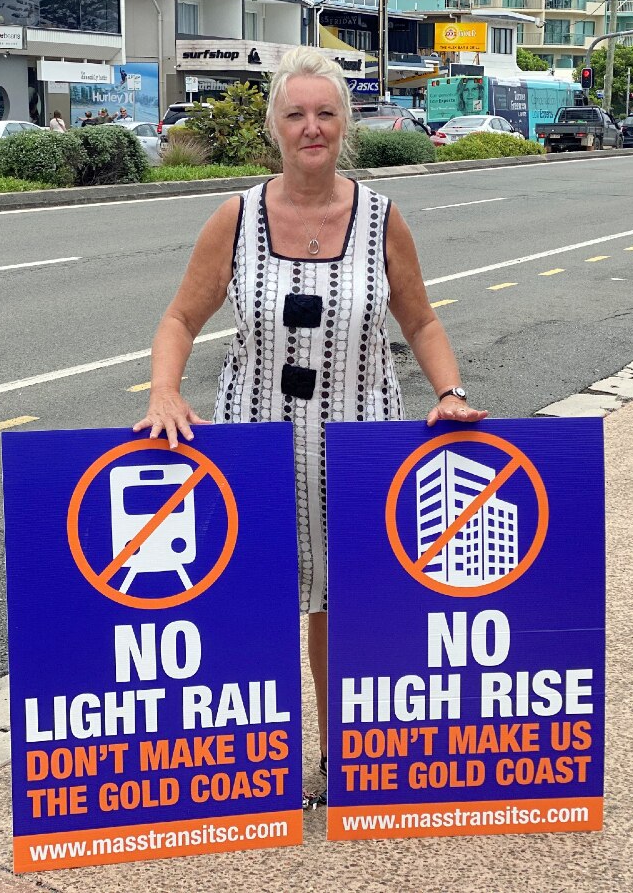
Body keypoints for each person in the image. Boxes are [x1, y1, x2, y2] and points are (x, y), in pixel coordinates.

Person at [134, 47, 487, 808]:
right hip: (255, 440)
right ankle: (246, 766)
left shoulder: (382, 217)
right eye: (296, 114)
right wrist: (165, 390)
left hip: (358, 439)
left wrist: (451, 390)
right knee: (255, 598)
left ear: (344, 123)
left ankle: (340, 759)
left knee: (342, 602)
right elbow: (179, 318)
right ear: (276, 128)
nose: (312, 128)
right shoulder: (235, 217)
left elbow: (420, 318)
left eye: (325, 113)